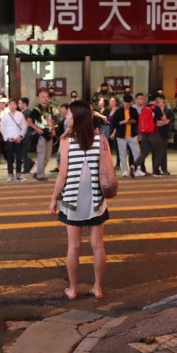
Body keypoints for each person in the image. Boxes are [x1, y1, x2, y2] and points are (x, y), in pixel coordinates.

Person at [50, 100, 115, 301]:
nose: (66, 117)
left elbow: (62, 175)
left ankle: (73, 289)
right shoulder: (100, 139)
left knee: (74, 246)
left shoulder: (67, 141)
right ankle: (98, 288)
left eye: (68, 114)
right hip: (96, 199)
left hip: (72, 200)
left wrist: (53, 199)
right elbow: (108, 168)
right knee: (97, 245)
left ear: (77, 117)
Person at [110, 94, 140, 178]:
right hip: (121, 135)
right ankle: (125, 170)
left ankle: (137, 169)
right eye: (126, 104)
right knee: (122, 154)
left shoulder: (133, 110)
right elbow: (114, 123)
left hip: (132, 135)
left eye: (129, 104)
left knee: (137, 152)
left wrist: (132, 121)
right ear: (123, 103)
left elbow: (137, 121)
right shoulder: (118, 111)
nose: (128, 105)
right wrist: (123, 122)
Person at [29, 90, 56, 181]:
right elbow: (29, 121)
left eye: (46, 97)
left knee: (47, 156)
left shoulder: (50, 108)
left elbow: (51, 121)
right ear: (40, 98)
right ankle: (40, 175)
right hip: (41, 136)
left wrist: (53, 130)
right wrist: (37, 129)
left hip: (49, 135)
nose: (45, 99)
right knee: (41, 155)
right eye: (43, 97)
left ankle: (38, 172)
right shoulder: (36, 109)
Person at [132, 93, 160, 176]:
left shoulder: (144, 109)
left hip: (143, 133)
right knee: (158, 151)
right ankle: (156, 171)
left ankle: (134, 165)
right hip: (152, 133)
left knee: (144, 152)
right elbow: (162, 119)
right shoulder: (155, 108)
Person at [0, 99, 27, 182]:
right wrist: (7, 138)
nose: (12, 106)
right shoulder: (5, 116)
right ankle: (10, 174)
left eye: (14, 104)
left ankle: (19, 174)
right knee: (10, 158)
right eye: (10, 104)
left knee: (19, 158)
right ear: (8, 105)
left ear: (16, 105)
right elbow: (2, 128)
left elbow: (24, 126)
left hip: (18, 139)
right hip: (9, 140)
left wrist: (20, 136)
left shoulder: (20, 115)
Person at [154, 94, 174, 175]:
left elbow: (167, 121)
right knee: (156, 152)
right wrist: (163, 122)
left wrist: (162, 121)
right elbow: (156, 122)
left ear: (163, 101)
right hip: (155, 133)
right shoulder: (154, 110)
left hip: (165, 133)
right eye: (157, 100)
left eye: (159, 100)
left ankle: (164, 169)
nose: (158, 102)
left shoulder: (168, 110)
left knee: (163, 152)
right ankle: (156, 169)